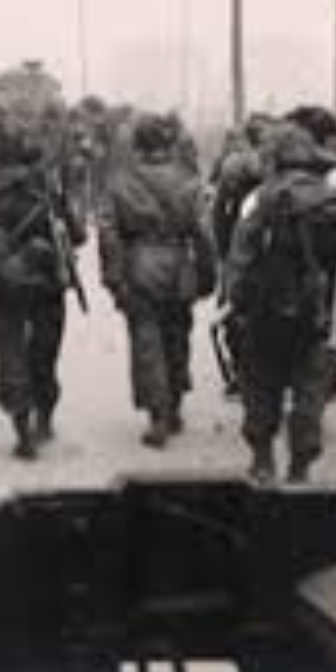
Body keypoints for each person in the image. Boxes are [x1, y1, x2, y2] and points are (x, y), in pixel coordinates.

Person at [226, 122, 336, 483]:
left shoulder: (260, 198)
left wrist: (235, 304)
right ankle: (301, 464)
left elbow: (241, 255)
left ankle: (262, 459)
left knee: (261, 383)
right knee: (310, 391)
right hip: (319, 314)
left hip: (267, 311)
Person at [0, 121, 86, 460]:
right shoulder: (48, 191)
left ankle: (22, 428)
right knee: (44, 355)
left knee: (10, 355)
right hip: (48, 287)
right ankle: (45, 418)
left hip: (5, 289)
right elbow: (78, 235)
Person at [98, 114, 216, 448]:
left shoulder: (120, 181)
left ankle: (158, 416)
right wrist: (208, 274)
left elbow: (108, 233)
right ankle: (175, 403)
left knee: (147, 340)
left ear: (138, 145)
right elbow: (204, 234)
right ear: (169, 144)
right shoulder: (189, 180)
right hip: (180, 266)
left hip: (140, 266)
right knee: (178, 336)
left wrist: (113, 277)